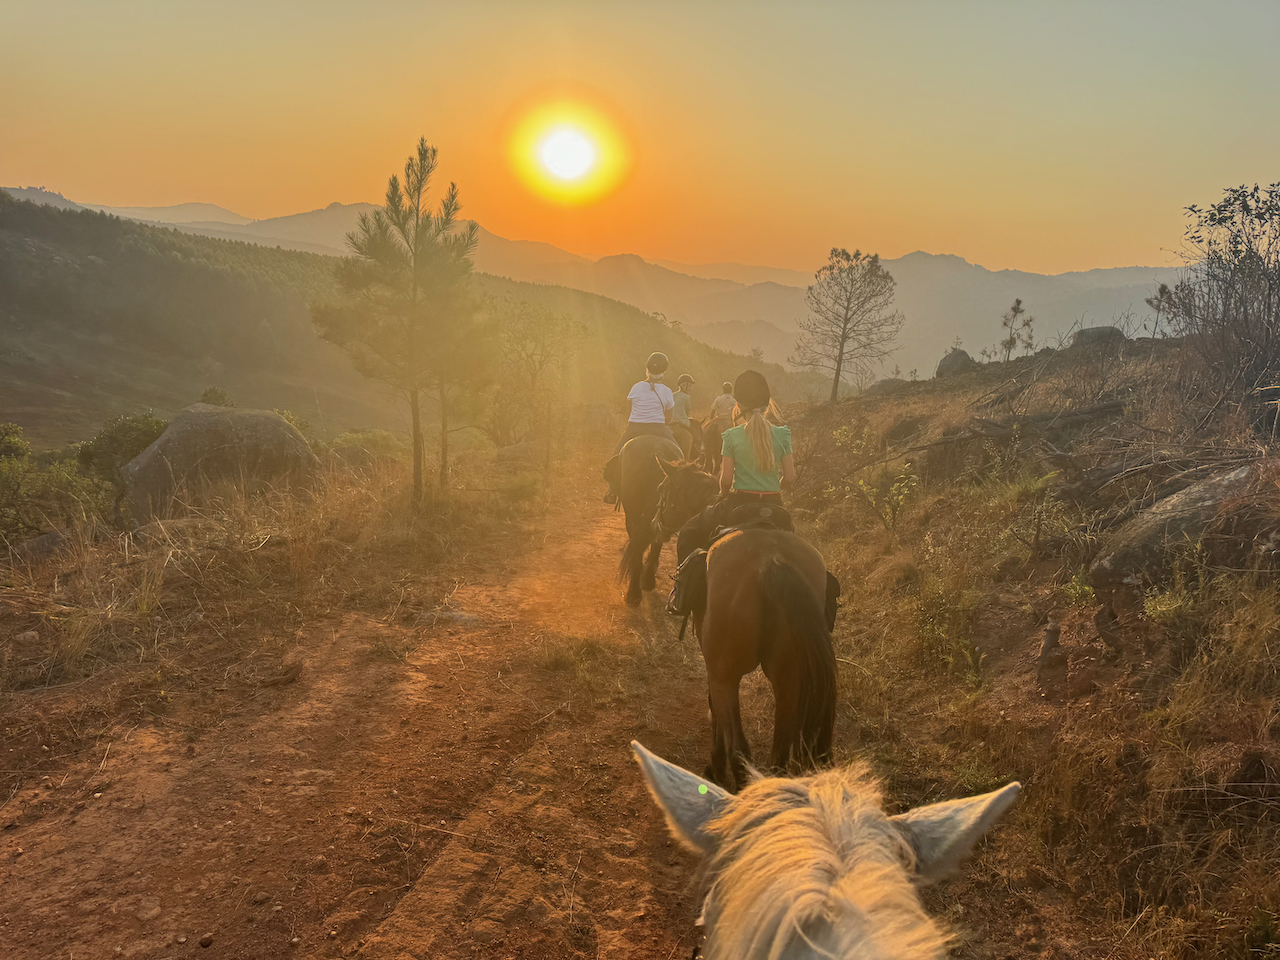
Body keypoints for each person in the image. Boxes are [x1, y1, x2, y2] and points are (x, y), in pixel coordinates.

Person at [674, 369, 795, 565]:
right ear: (767, 406)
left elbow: (726, 480)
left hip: (740, 504)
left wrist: (723, 494)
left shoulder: (732, 436)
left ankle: (683, 583)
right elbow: (789, 477)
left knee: (689, 531)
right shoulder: (783, 434)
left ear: (739, 406)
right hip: (775, 506)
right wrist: (773, 489)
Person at [603, 352, 676, 503]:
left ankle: (612, 491)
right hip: (659, 429)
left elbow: (629, 411)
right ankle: (680, 490)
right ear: (664, 371)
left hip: (634, 428)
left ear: (647, 368)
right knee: (679, 456)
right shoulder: (667, 391)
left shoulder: (636, 387)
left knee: (614, 457)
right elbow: (668, 418)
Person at [670, 374, 696, 459]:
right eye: (689, 386)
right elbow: (687, 412)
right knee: (696, 438)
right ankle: (696, 454)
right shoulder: (686, 397)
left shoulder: (672, 395)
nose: (690, 388)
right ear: (683, 385)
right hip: (683, 424)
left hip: (670, 424)